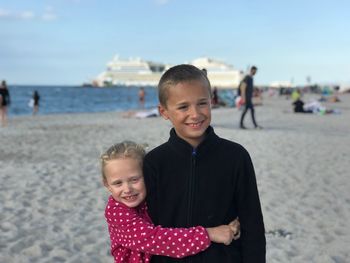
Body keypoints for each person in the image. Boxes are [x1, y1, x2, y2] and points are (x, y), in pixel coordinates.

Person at [143, 64, 266, 263]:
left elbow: (253, 225)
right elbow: (144, 231)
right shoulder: (153, 163)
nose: (195, 114)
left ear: (211, 102)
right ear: (164, 111)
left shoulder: (236, 157)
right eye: (183, 107)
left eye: (202, 103)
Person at [101, 141, 241, 263]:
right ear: (107, 185)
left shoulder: (151, 196)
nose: (127, 189)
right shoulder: (116, 211)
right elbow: (155, 240)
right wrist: (210, 234)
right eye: (118, 183)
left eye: (134, 179)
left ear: (148, 176)